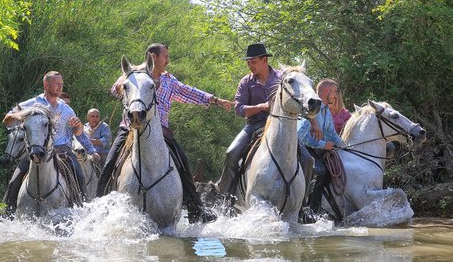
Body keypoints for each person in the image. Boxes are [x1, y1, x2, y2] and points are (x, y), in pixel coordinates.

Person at [97, 43, 234, 224]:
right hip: (130, 127)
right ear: (153, 57)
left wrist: (215, 100)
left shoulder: (169, 80)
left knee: (183, 162)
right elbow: (116, 90)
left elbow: (189, 92)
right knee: (110, 163)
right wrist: (123, 81)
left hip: (160, 131)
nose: (168, 60)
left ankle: (196, 207)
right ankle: (98, 210)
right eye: (166, 56)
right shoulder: (133, 74)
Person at [215, 43, 318, 199]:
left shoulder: (283, 78)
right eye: (248, 62)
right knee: (232, 153)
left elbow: (300, 101)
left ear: (264, 60)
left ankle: (304, 204)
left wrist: (314, 122)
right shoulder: (246, 82)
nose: (250, 65)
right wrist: (261, 106)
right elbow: (239, 109)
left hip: (282, 128)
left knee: (308, 160)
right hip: (254, 127)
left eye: (253, 62)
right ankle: (225, 197)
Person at [2, 71, 100, 215]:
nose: (60, 87)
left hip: (63, 151)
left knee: (79, 174)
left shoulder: (66, 109)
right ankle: (7, 214)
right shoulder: (31, 104)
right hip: (36, 149)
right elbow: (7, 121)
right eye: (57, 84)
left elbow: (79, 133)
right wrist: (18, 115)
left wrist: (90, 148)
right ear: (46, 84)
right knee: (15, 179)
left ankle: (82, 210)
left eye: (61, 84)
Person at [297, 78, 345, 218]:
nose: (336, 96)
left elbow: (331, 133)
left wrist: (345, 146)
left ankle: (321, 206)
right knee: (320, 171)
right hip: (301, 147)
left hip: (314, 149)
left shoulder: (326, 111)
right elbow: (301, 136)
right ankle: (310, 211)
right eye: (335, 92)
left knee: (329, 171)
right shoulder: (312, 108)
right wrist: (323, 145)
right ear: (326, 91)